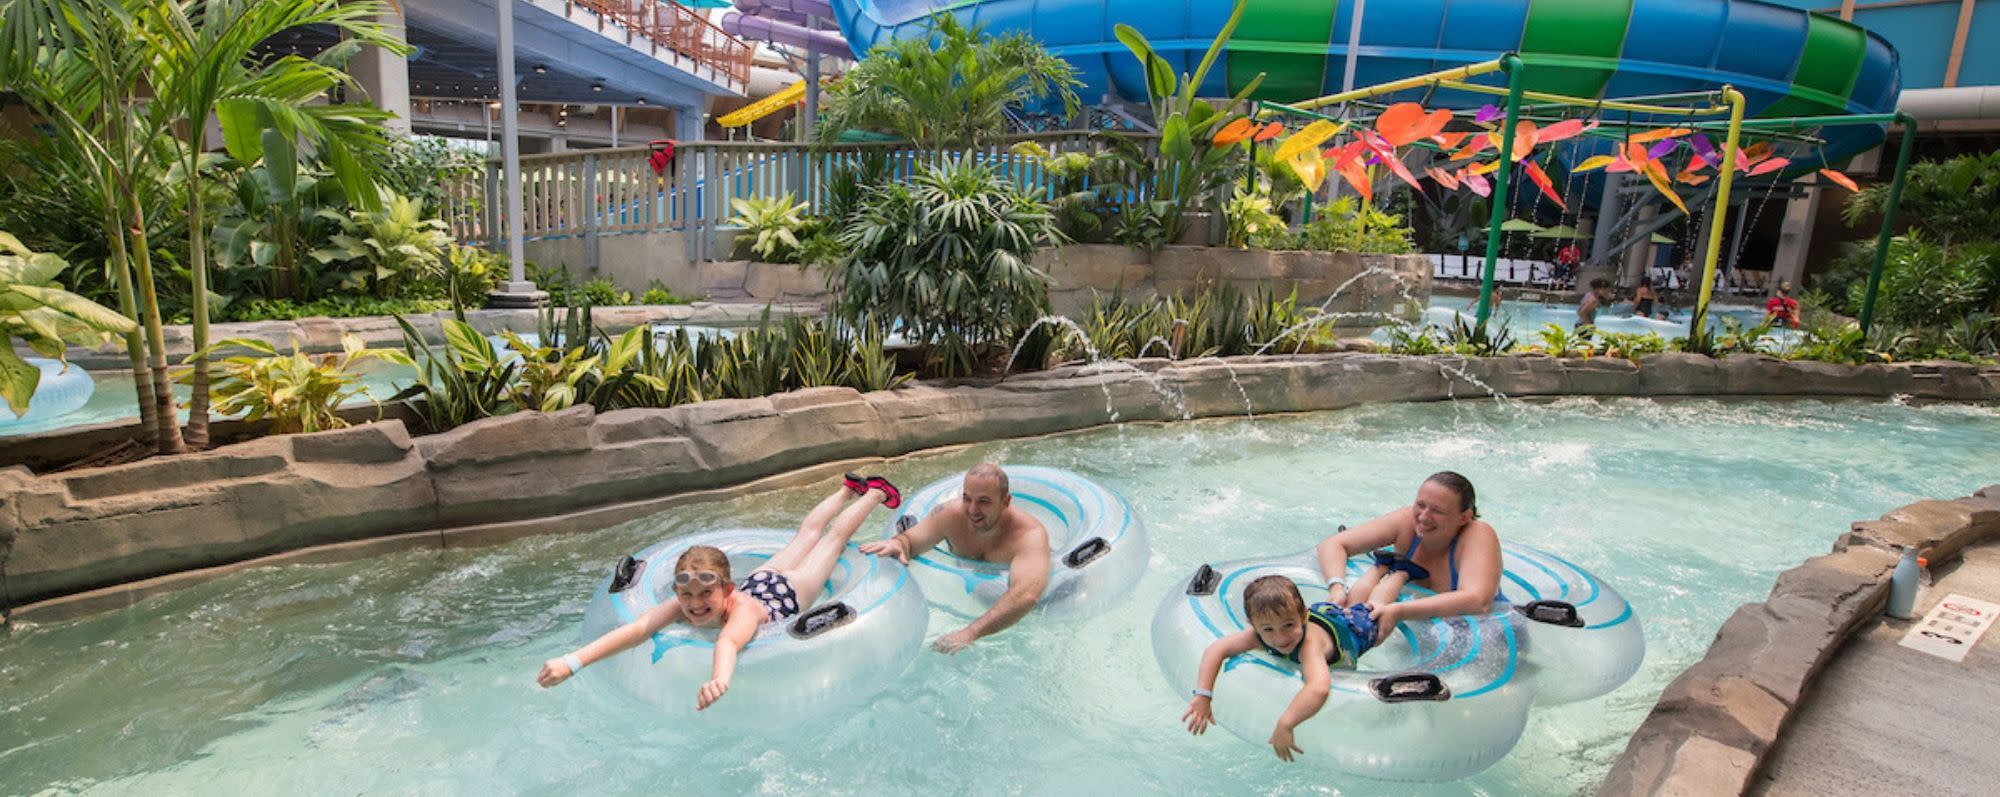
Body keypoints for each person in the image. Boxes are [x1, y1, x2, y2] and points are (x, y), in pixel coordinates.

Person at [535, 475, 902, 708]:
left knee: (832, 541)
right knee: (804, 535)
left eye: (704, 597)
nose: (695, 606)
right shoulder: (689, 600)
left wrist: (719, 679)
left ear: (725, 590)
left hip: (786, 591)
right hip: (760, 578)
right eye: (687, 597)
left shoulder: (738, 610)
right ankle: (845, 490)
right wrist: (573, 661)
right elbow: (637, 630)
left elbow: (728, 643)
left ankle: (872, 494)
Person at [1181, 575, 1377, 762]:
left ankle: (1393, 573)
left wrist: (1286, 723)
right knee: (1350, 604)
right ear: (1253, 625)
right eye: (1268, 629)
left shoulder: (1309, 646)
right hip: (1325, 615)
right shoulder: (1257, 634)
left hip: (1355, 632)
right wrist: (1203, 695)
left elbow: (1318, 688)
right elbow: (1216, 649)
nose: (1280, 638)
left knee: (1376, 613)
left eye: (1288, 626)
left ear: (1303, 617)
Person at [860, 463, 1051, 653]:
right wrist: (899, 543)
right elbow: (910, 541)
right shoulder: (950, 516)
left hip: (1018, 607)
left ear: (1006, 502)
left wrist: (970, 632)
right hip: (964, 590)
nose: (972, 509)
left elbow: (1026, 595)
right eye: (967, 498)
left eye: (984, 502)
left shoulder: (1029, 535)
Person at [1315, 472, 1502, 644]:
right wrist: (1337, 587)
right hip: (1421, 630)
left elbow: (1478, 601)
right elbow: (1332, 545)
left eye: (1437, 511)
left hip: (1485, 636)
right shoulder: (1405, 522)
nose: (1423, 517)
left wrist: (1399, 611)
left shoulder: (1478, 534)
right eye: (1420, 505)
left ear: (1464, 517)